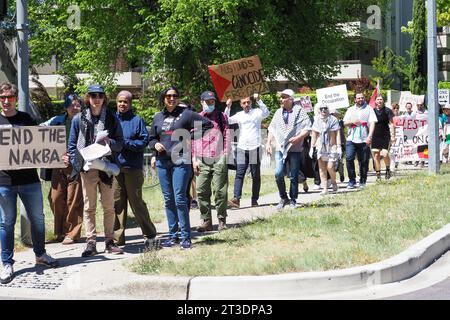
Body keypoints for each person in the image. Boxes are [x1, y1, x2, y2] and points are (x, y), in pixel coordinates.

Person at [0, 82, 59, 285]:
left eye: (10, 97)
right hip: (4, 182)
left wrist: (60, 155)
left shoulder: (27, 119)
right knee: (6, 222)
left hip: (29, 181)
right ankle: (7, 263)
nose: (6, 101)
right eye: (2, 97)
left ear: (15, 99)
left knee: (38, 219)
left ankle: (40, 255)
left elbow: (45, 144)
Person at [148, 86, 213, 250]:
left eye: (174, 96)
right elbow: (151, 138)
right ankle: (173, 235)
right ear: (163, 98)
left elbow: (207, 125)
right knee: (168, 199)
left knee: (179, 198)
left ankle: (185, 237)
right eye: (168, 96)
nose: (171, 98)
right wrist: (155, 144)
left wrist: (189, 137)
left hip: (181, 161)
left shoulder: (186, 114)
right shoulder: (158, 117)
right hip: (163, 162)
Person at [68, 84, 124, 257]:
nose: (97, 99)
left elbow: (120, 143)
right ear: (88, 98)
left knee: (109, 206)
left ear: (104, 98)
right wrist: (77, 161)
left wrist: (109, 143)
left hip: (106, 167)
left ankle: (109, 241)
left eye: (100, 95)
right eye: (93, 95)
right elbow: (71, 145)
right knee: (89, 207)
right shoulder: (78, 119)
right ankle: (91, 242)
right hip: (88, 168)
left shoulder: (112, 119)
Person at [113, 90, 159, 250]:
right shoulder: (111, 120)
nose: (122, 104)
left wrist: (124, 142)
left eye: (125, 101)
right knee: (117, 204)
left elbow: (142, 142)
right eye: (120, 101)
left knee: (136, 203)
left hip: (133, 168)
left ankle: (150, 235)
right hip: (115, 168)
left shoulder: (137, 120)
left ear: (130, 103)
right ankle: (117, 240)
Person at [40, 93, 84, 244]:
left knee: (74, 200)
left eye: (78, 104)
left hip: (76, 165)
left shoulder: (85, 122)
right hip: (57, 165)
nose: (74, 107)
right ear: (66, 107)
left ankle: (72, 233)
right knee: (56, 198)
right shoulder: (56, 121)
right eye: (71, 104)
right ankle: (59, 232)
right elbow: (38, 130)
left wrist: (73, 157)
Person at [266, 89, 311, 209]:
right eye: (281, 97)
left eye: (284, 97)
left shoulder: (300, 111)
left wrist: (298, 137)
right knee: (278, 173)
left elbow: (307, 128)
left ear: (291, 99)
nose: (281, 99)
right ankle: (283, 197)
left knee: (293, 175)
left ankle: (293, 199)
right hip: (281, 147)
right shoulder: (277, 112)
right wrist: (268, 143)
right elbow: (272, 128)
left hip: (295, 148)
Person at [193, 91, 230, 232]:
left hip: (219, 157)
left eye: (212, 101)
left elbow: (227, 135)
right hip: (202, 159)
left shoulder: (221, 117)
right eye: (207, 102)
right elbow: (193, 139)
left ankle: (222, 220)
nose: (210, 104)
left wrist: (226, 154)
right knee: (201, 190)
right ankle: (206, 220)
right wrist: (194, 159)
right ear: (201, 102)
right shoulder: (197, 118)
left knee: (220, 191)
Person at [225, 94, 270, 208]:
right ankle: (236, 199)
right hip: (242, 147)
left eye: (248, 102)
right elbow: (226, 120)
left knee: (255, 175)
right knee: (239, 174)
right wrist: (228, 107)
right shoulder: (239, 115)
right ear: (240, 104)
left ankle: (254, 199)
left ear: (251, 103)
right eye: (244, 103)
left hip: (255, 147)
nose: (246, 105)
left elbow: (266, 113)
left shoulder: (257, 112)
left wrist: (259, 100)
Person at [343, 92, 377, 189]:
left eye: (362, 98)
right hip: (351, 139)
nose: (361, 99)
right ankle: (352, 180)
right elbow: (345, 122)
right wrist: (352, 122)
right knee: (349, 158)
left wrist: (369, 136)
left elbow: (372, 123)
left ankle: (362, 180)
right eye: (358, 98)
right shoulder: (350, 110)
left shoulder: (369, 109)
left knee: (364, 161)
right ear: (355, 99)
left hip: (364, 138)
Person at [310, 104, 340, 195]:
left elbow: (337, 133)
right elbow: (314, 134)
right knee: (322, 169)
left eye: (325, 108)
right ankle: (325, 188)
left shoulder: (333, 120)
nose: (323, 110)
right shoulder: (317, 120)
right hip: (320, 147)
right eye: (321, 108)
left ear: (328, 109)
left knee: (330, 167)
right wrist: (312, 147)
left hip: (332, 146)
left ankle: (334, 181)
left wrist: (339, 146)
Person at [371, 94, 395, 181]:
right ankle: (378, 176)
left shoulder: (388, 111)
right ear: (375, 101)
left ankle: (388, 169)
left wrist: (393, 136)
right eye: (378, 99)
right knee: (376, 156)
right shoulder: (372, 111)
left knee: (384, 154)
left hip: (385, 135)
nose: (379, 101)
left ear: (383, 101)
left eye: (381, 99)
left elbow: (392, 124)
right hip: (375, 135)